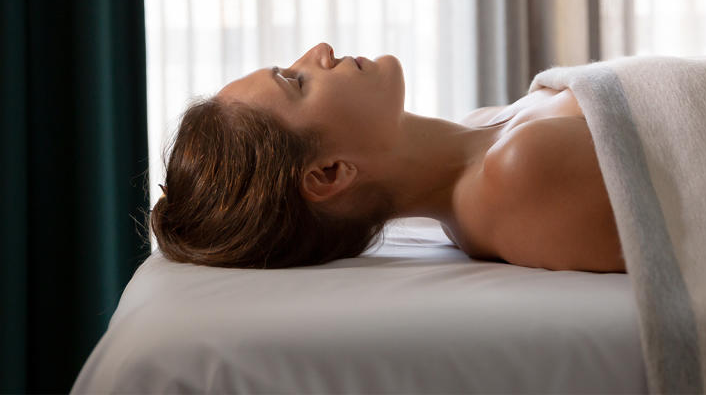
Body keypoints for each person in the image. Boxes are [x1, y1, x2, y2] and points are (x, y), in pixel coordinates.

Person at [150, 42, 625, 272]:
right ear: (329, 173)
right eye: (296, 81)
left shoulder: (484, 125)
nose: (319, 51)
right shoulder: (517, 176)